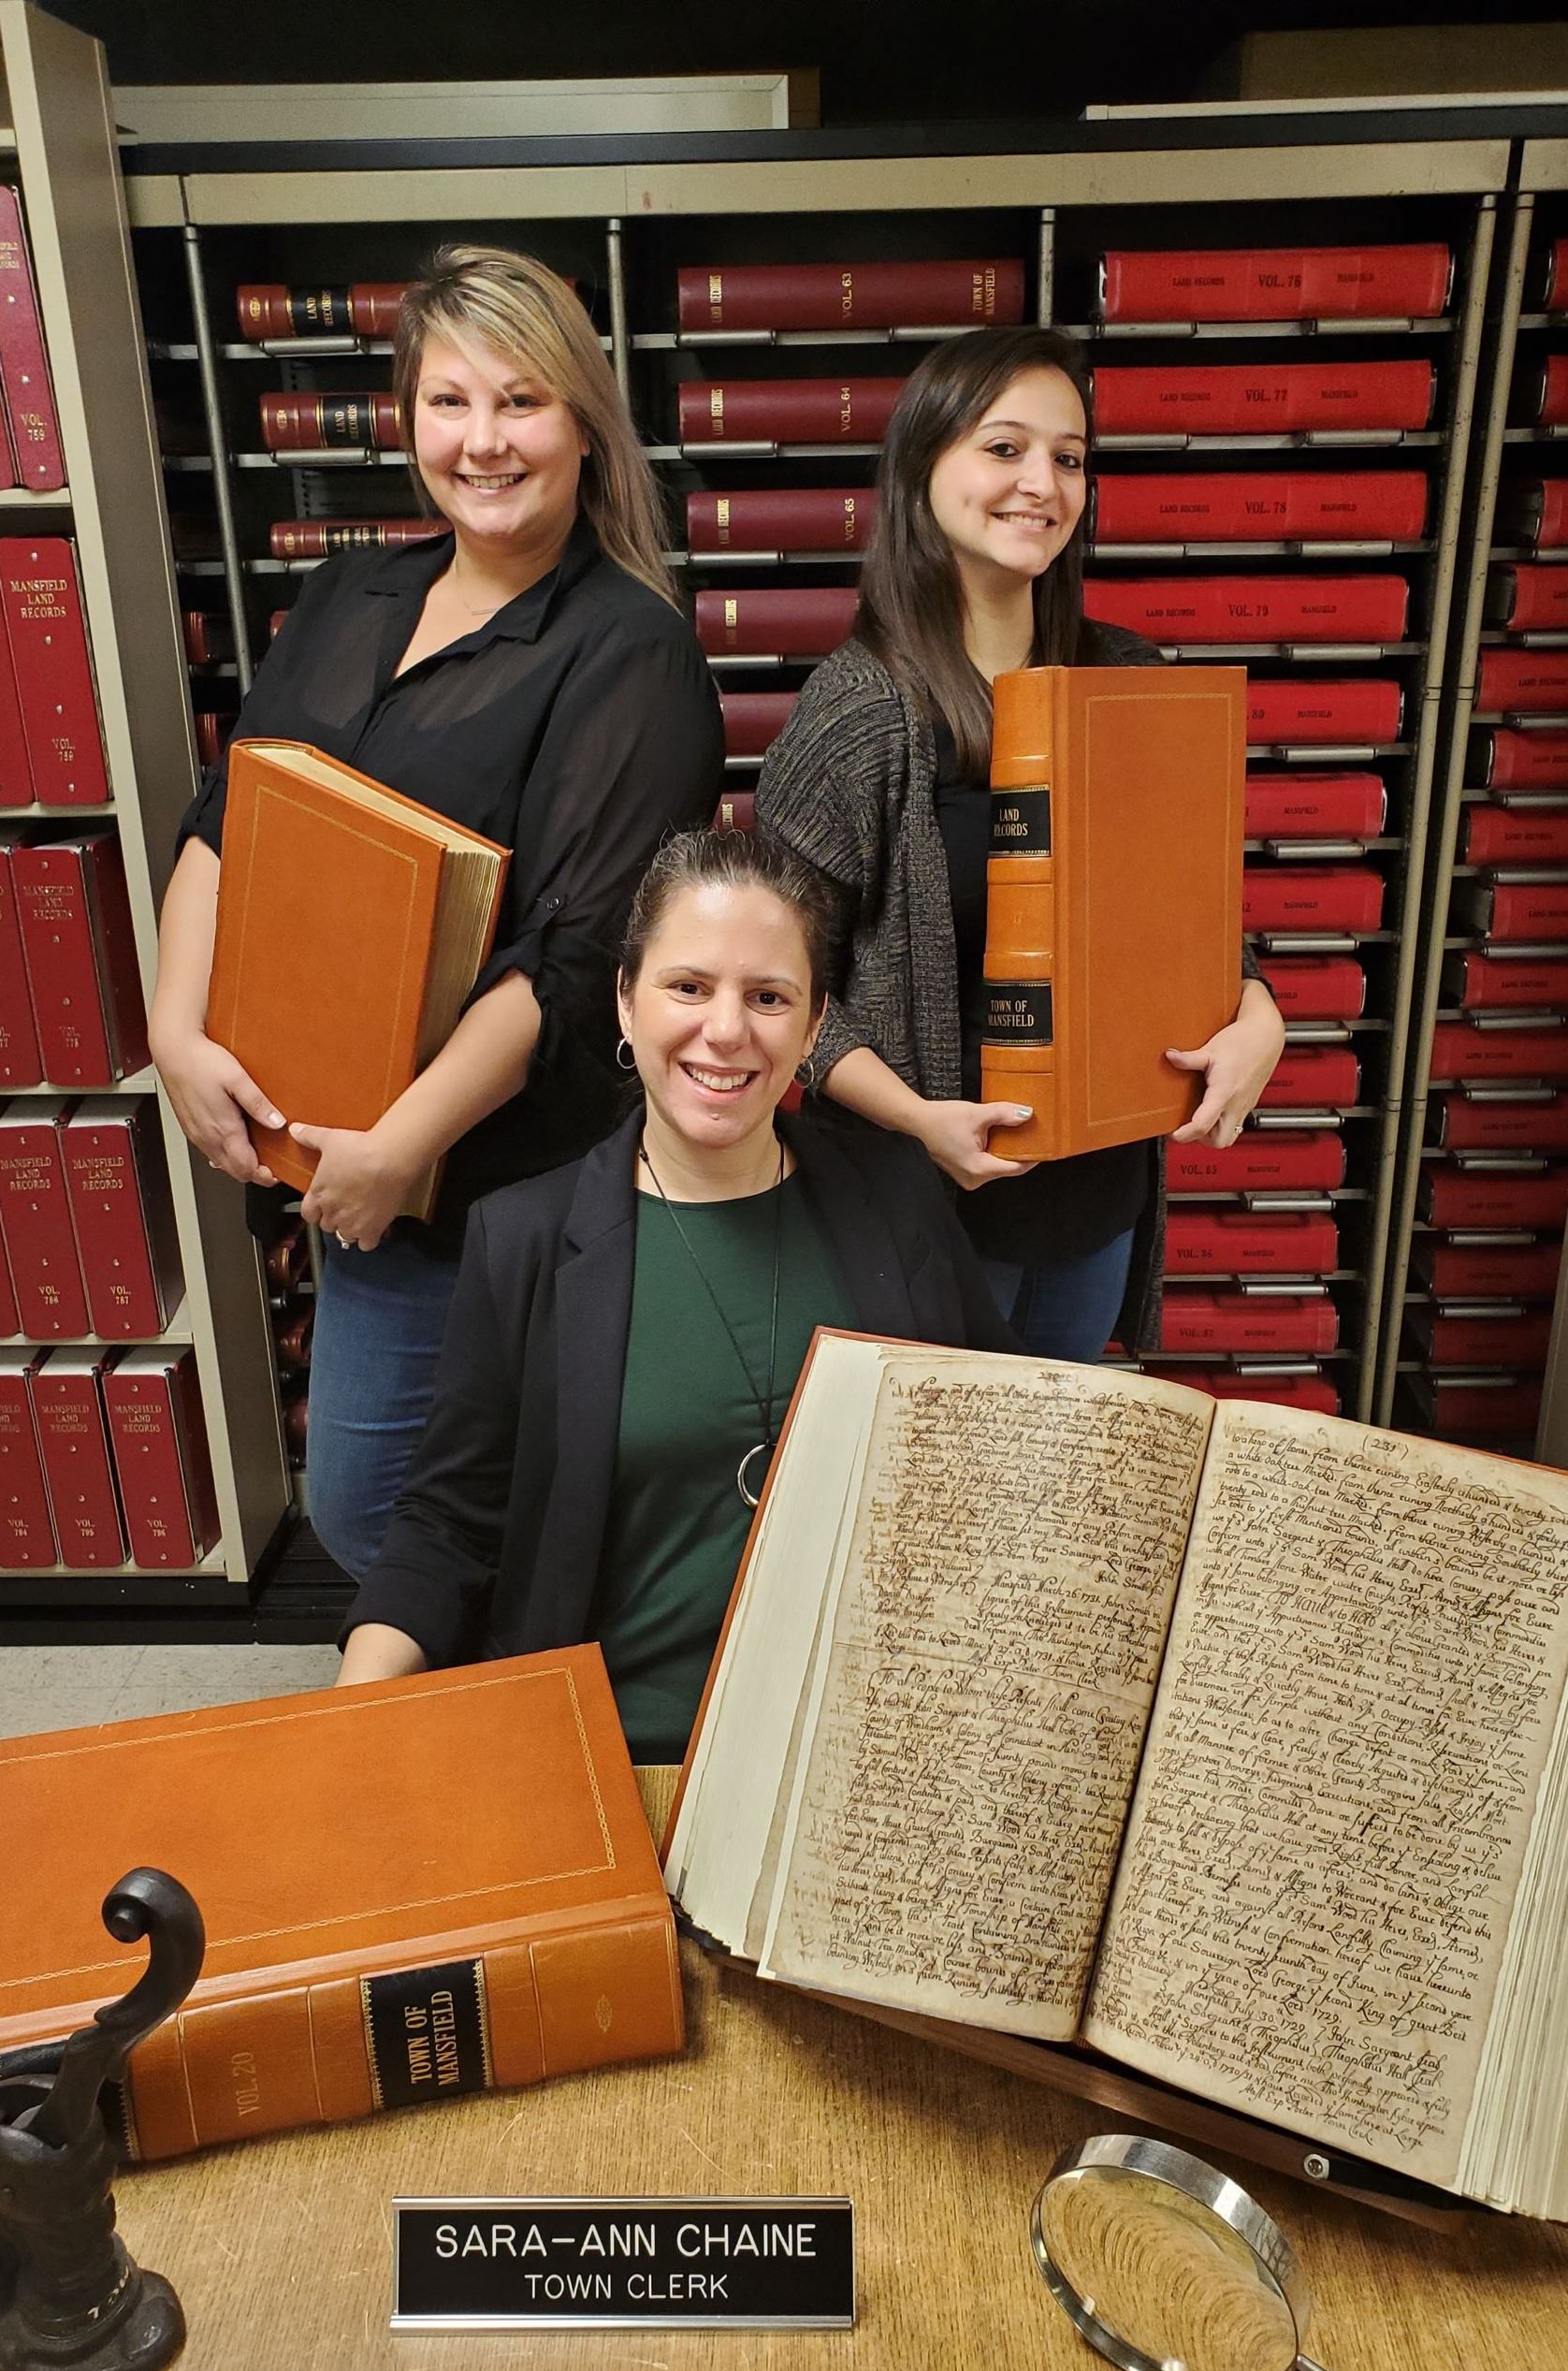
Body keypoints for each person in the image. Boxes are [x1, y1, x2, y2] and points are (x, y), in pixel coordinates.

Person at [150, 245, 724, 1577]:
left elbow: (579, 957)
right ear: (408, 417)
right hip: (335, 1141)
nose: (484, 441)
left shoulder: (631, 649)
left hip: (496, 1178)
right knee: (392, 1518)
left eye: (521, 402)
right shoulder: (352, 593)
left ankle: (527, 1740)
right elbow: (228, 816)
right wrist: (177, 1031)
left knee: (423, 1517)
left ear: (583, 420)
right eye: (449, 402)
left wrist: (403, 1145)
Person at [336, 827, 1019, 1759]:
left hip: (864, 1761)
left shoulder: (899, 1202)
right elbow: (448, 1523)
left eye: (769, 997)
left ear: (817, 1027)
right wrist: (345, 1716)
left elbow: (1009, 1457)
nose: (727, 1031)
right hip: (625, 1756)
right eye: (688, 987)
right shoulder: (524, 1238)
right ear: (625, 1001)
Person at [756, 327, 1285, 1363]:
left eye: (1069, 456)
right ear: (923, 467)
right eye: (1003, 448)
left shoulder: (1133, 683)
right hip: (925, 1205)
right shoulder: (859, 711)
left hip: (1098, 1199)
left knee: (1042, 1498)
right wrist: (916, 1117)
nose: (1040, 481)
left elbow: (1188, 910)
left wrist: (1259, 1013)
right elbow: (779, 990)